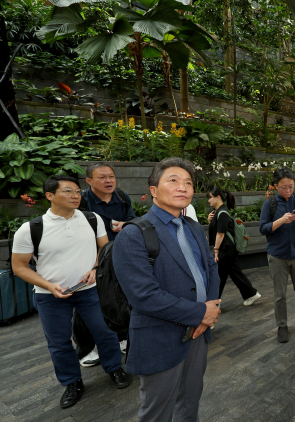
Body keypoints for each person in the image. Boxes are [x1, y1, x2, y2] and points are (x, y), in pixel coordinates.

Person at [112, 157, 221, 421]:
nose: (183, 187)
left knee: (190, 403)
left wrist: (210, 311)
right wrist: (200, 313)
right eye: (173, 181)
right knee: (157, 412)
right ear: (153, 190)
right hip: (160, 336)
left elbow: (211, 270)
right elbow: (143, 296)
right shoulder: (133, 234)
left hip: (198, 334)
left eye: (188, 183)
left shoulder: (193, 226)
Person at [11, 175, 130, 410]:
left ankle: (115, 369)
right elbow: (19, 266)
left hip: (90, 290)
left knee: (105, 332)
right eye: (68, 191)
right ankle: (72, 382)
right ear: (49, 196)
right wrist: (48, 286)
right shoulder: (31, 229)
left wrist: (96, 268)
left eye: (77, 191)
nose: (76, 195)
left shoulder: (92, 219)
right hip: (50, 296)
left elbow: (104, 249)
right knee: (58, 342)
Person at [75, 162, 136, 367]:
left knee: (120, 299)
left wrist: (125, 225)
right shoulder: (81, 201)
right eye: (102, 177)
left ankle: (122, 338)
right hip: (90, 259)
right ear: (89, 180)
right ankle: (86, 348)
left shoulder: (121, 197)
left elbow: (132, 220)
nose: (108, 181)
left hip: (118, 256)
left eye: (111, 176)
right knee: (87, 303)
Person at [259, 167, 295, 343]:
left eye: (291, 187)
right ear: (276, 186)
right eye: (284, 187)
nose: (288, 191)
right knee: (280, 294)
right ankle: (282, 325)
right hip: (278, 256)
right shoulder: (270, 204)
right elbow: (263, 228)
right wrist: (280, 221)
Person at [206, 187, 261, 305]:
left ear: (218, 197)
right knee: (234, 273)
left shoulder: (222, 213)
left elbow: (220, 234)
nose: (208, 200)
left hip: (226, 249)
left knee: (219, 275)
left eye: (210, 197)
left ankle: (216, 302)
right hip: (228, 249)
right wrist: (210, 221)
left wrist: (216, 251)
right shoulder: (219, 212)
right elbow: (216, 230)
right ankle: (251, 294)